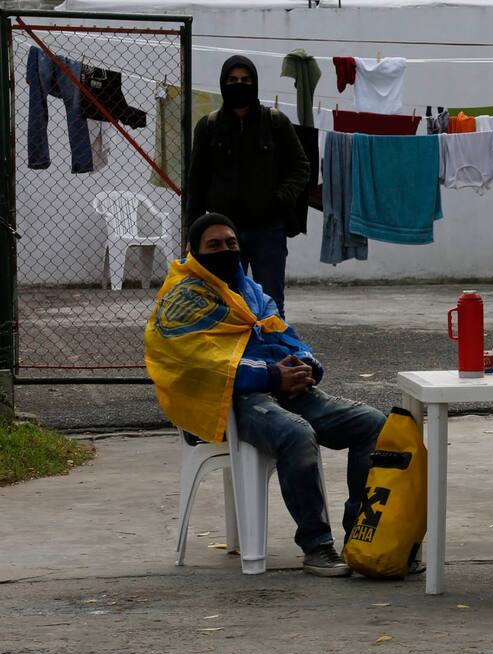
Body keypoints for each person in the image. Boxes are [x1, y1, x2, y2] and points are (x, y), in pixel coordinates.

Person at [145, 214, 386, 577]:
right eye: (214, 245)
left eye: (231, 243)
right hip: (227, 403)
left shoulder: (251, 291)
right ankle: (317, 546)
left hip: (281, 389)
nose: (225, 251)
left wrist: (305, 367)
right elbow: (198, 362)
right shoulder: (183, 299)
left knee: (373, 423)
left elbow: (284, 334)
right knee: (297, 434)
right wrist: (272, 375)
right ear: (194, 252)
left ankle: (361, 538)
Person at [187, 55, 309, 318]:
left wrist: (279, 199)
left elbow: (300, 167)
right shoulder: (208, 127)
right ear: (223, 84)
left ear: (255, 84)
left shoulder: (275, 122)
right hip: (222, 235)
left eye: (245, 80)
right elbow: (196, 182)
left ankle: (273, 345)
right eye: (232, 80)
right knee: (225, 306)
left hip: (268, 231)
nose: (239, 85)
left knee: (271, 306)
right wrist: (192, 235)